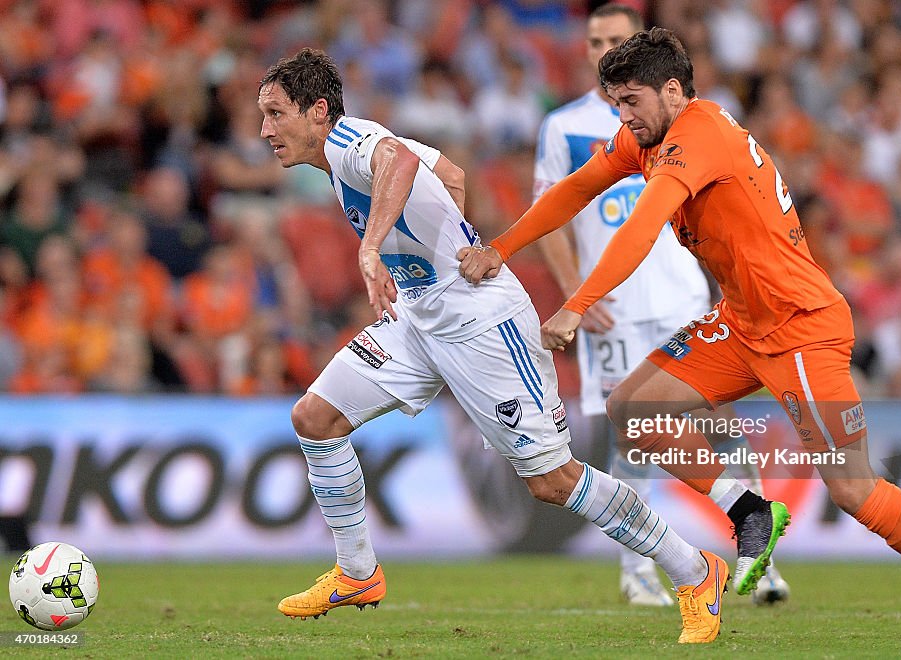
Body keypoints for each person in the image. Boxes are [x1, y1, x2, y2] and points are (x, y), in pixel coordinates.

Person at [459, 28, 901, 652]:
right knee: (632, 410)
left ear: (672, 91)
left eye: (632, 101)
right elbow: (575, 190)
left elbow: (640, 228)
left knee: (851, 487)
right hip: (743, 323)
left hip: (800, 327)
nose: (623, 116)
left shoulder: (698, 134)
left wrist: (576, 306)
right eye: (616, 103)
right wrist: (498, 249)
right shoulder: (647, 135)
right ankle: (748, 510)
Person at [257, 48, 785, 644]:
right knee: (315, 417)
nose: (265, 129)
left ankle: (694, 570)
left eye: (276, 113)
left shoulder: (351, 142)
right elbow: (449, 175)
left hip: (482, 323)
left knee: (552, 481)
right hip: (418, 314)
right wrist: (440, 243)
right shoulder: (346, 151)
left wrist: (371, 247)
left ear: (317, 111)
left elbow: (401, 162)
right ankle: (357, 573)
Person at [533, 3, 788, 607]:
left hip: (682, 294)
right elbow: (553, 215)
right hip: (612, 307)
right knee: (634, 435)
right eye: (594, 39)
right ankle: (639, 568)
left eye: (614, 39)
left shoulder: (692, 121)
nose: (601, 48)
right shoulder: (564, 127)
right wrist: (577, 295)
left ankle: (761, 559)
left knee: (717, 424)